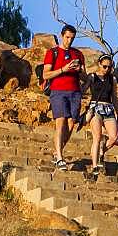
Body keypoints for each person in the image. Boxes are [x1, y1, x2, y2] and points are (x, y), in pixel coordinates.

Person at [42, 24, 86, 170]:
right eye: (67, 37)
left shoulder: (78, 54)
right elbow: (46, 74)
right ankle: (60, 157)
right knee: (60, 122)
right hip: (58, 91)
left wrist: (79, 70)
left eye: (72, 38)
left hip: (75, 92)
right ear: (62, 36)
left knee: (71, 123)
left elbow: (85, 77)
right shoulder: (52, 52)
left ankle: (57, 151)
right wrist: (63, 69)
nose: (69, 41)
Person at [84, 54, 118, 174]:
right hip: (96, 108)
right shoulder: (92, 77)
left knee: (114, 137)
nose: (107, 69)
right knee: (97, 137)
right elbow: (82, 90)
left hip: (109, 108)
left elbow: (114, 97)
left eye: (109, 67)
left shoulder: (112, 79)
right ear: (99, 64)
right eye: (104, 66)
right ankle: (94, 166)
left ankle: (101, 152)